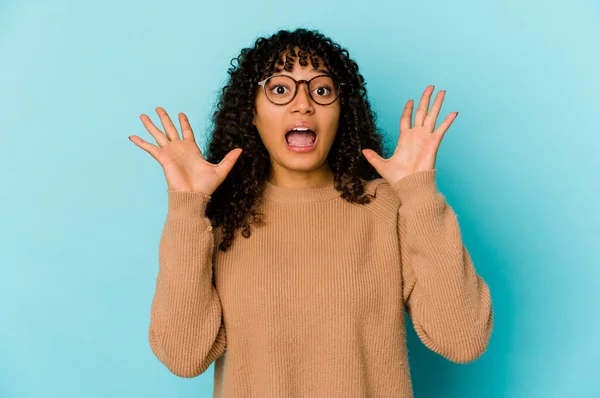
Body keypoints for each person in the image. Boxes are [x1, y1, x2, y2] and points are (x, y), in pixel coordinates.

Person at [129, 28, 493, 398]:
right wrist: (188, 208)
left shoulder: (388, 209)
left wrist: (418, 193)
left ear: (342, 112)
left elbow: (463, 340)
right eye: (280, 89)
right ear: (250, 114)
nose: (303, 104)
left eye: (321, 90)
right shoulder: (219, 220)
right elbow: (182, 357)